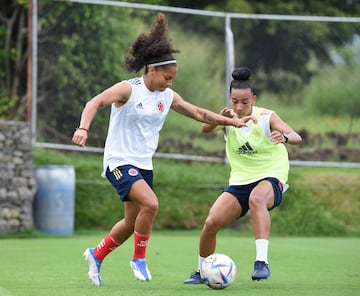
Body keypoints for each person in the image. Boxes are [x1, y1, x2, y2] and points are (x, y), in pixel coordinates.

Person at [72, 13, 254, 286]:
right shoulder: (128, 90)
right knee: (151, 203)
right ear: (152, 70)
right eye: (167, 78)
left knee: (132, 222)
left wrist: (230, 121)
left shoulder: (167, 96)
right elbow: (94, 102)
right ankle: (139, 259)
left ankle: (96, 255)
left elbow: (198, 112)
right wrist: (83, 128)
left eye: (173, 79)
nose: (170, 83)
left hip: (144, 164)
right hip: (119, 161)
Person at [184, 67, 302, 284]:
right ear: (230, 98)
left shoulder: (267, 117)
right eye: (234, 101)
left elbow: (296, 136)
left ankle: (261, 263)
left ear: (253, 99)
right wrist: (220, 119)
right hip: (240, 181)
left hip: (271, 176)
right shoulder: (227, 118)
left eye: (245, 102)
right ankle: (202, 272)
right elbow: (205, 129)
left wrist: (284, 137)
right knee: (211, 222)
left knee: (256, 199)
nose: (239, 107)